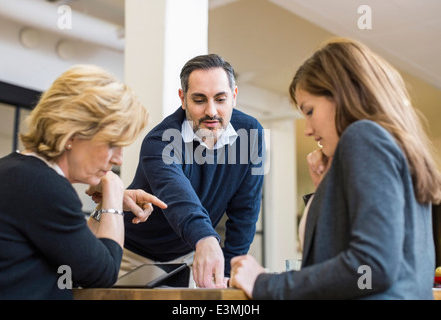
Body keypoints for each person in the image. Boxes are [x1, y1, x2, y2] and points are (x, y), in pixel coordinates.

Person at [230, 38, 441, 299]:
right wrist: (327, 188)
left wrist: (263, 283)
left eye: (309, 111)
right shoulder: (396, 147)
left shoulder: (363, 136)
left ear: (341, 95)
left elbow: (370, 267)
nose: (307, 129)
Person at [0, 65, 166, 299]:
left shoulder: (18, 173)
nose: (118, 159)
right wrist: (113, 190)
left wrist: (103, 208)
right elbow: (103, 273)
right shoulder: (42, 185)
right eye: (112, 144)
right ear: (73, 133)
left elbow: (80, 261)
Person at [122, 54, 265, 288]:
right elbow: (179, 197)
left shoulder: (251, 134)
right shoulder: (160, 141)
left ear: (234, 96)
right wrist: (206, 239)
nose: (211, 111)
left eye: (220, 99)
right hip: (133, 254)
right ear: (183, 98)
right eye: (199, 100)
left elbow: (246, 209)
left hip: (190, 255)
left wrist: (228, 272)